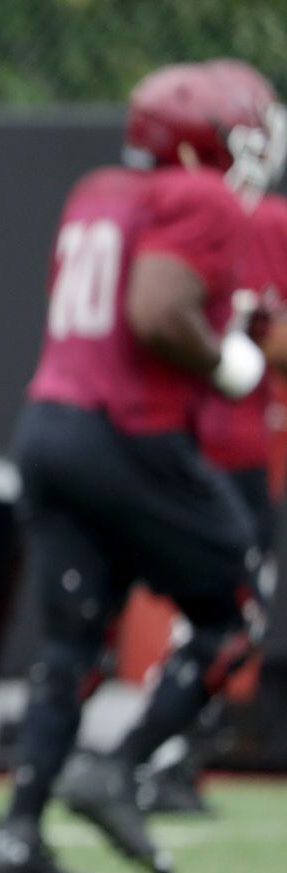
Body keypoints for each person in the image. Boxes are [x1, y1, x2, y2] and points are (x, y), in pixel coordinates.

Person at [0, 60, 271, 873]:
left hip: (50, 426)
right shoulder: (203, 197)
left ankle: (16, 834)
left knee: (74, 638)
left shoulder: (99, 189)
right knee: (237, 610)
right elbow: (155, 312)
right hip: (127, 432)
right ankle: (123, 766)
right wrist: (229, 367)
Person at [134, 59, 287, 815]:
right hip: (201, 436)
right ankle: (153, 755)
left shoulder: (142, 202)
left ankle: (164, 753)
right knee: (225, 609)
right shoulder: (229, 214)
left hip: (176, 437)